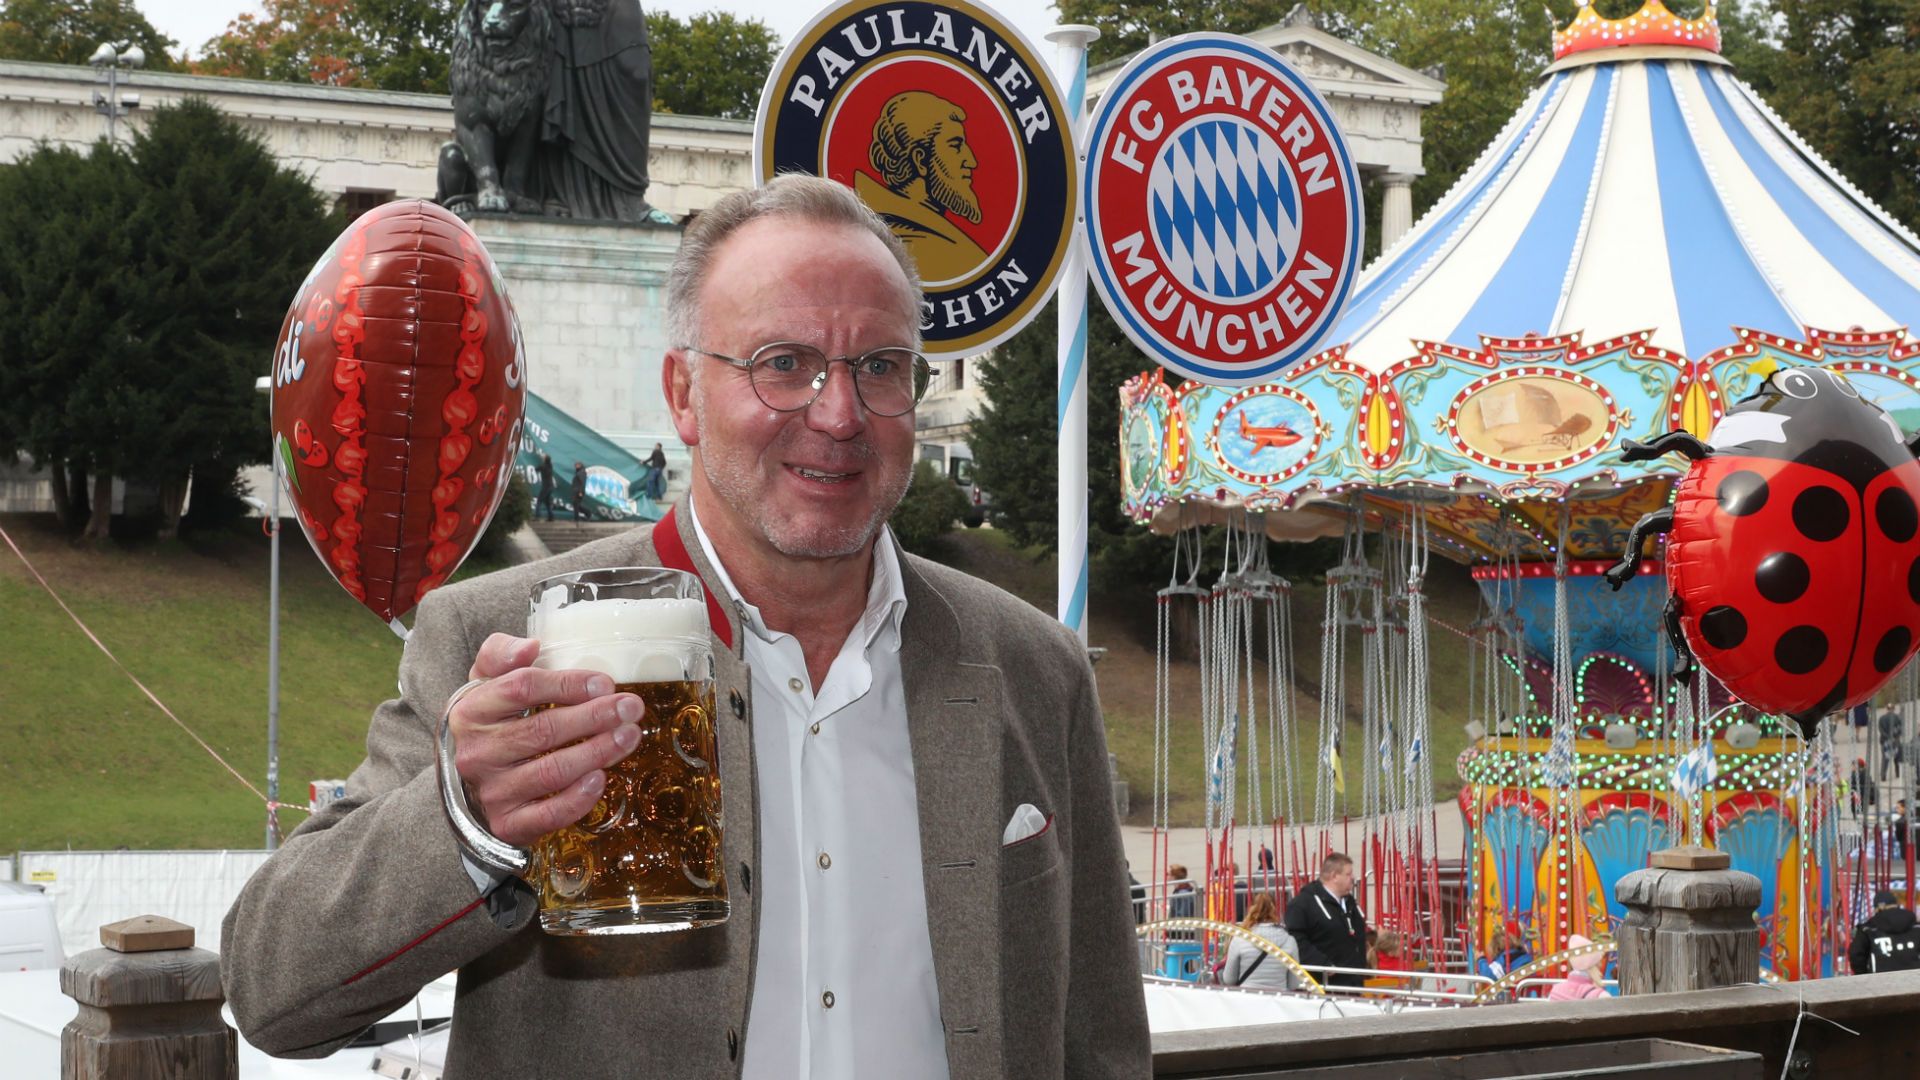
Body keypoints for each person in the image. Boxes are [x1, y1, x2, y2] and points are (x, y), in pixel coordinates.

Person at [221, 175, 1151, 1078]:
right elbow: (273, 991)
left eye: (880, 367)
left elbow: (1102, 1043)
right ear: (681, 396)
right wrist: (467, 822)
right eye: (782, 364)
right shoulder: (507, 642)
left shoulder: (1036, 667)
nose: (838, 413)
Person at [1284, 853, 1368, 988]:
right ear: (1334, 876)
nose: (1353, 878)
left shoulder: (1349, 903)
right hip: (1324, 985)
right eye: (1348, 874)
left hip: (1353, 982)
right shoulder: (1303, 904)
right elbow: (1296, 940)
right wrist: (1323, 965)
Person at [1219, 892, 1300, 992]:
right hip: (1278, 1001)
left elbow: (1229, 979)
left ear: (1251, 909)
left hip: (1247, 998)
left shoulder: (1239, 940)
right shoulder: (1289, 941)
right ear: (1275, 910)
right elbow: (1294, 984)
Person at [1848, 890, 1920, 974]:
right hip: (1914, 979)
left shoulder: (1868, 929)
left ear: (1879, 907)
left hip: (1880, 981)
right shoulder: (1916, 927)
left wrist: (1864, 974)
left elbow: (1856, 955)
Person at [1548, 934, 1609, 1001]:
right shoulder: (1600, 995)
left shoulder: (1555, 990)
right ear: (1593, 965)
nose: (1600, 965)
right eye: (1598, 962)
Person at [1880, 705, 1905, 780]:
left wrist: (1887, 737)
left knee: (1885, 759)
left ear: (1887, 709)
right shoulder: (1897, 717)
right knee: (1896, 758)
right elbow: (1900, 729)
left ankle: (1883, 776)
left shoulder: (1882, 718)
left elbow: (1881, 730)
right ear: (1893, 709)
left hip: (1885, 741)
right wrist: (1895, 737)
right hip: (1895, 740)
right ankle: (1897, 774)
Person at [536, 451, 555, 521]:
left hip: (545, 486)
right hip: (550, 486)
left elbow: (536, 469)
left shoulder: (543, 466)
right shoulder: (550, 466)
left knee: (539, 501)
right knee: (547, 502)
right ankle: (551, 516)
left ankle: (537, 516)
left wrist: (541, 459)